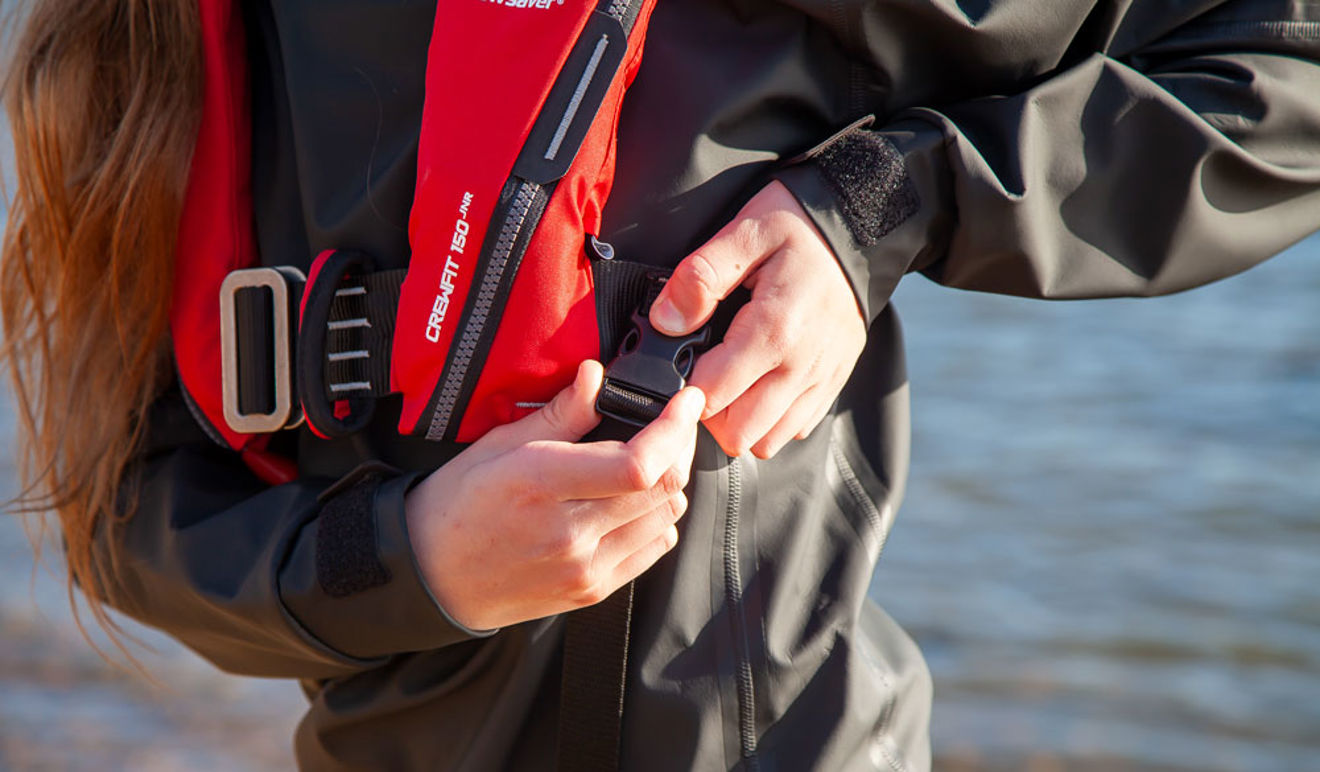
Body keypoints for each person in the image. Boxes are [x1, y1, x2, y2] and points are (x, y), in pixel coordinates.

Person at [4, 0, 1320, 769]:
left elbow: (1284, 64)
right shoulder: (175, 35)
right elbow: (128, 511)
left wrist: (885, 200)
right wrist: (406, 559)